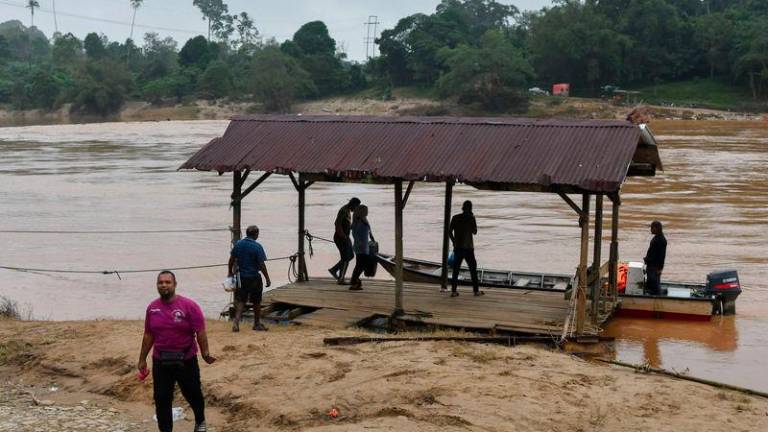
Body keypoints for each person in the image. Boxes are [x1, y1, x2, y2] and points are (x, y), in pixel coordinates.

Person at [137, 271, 216, 432]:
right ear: (157, 285)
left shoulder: (189, 306)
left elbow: (200, 331)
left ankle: (200, 421)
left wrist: (205, 353)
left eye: (167, 282)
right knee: (162, 399)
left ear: (175, 284)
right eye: (161, 282)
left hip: (186, 360)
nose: (164, 285)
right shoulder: (152, 308)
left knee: (193, 394)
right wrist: (142, 359)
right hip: (160, 360)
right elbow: (148, 334)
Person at [228, 225, 272, 332]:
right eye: (258, 233)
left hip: (242, 277)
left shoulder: (238, 244)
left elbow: (231, 260)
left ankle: (236, 322)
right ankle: (256, 324)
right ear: (255, 234)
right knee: (256, 301)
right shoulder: (257, 247)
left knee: (241, 301)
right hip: (254, 278)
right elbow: (261, 265)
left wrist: (230, 272)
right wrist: (267, 278)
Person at [449, 200, 483, 297]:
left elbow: (449, 231)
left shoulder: (455, 217)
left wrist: (454, 241)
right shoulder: (471, 218)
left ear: (463, 207)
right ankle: (476, 291)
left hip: (458, 247)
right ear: (470, 208)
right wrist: (472, 217)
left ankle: (453, 291)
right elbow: (475, 232)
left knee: (456, 270)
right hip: (468, 248)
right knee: (473, 269)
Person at [328, 197, 360, 284]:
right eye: (357, 207)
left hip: (345, 237)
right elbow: (337, 224)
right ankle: (340, 279)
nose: (357, 209)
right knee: (345, 257)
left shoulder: (348, 210)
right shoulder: (343, 210)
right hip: (340, 237)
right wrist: (343, 237)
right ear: (353, 204)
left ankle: (334, 270)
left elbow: (347, 225)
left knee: (350, 256)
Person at [350, 205, 374, 291]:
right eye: (365, 210)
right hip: (360, 246)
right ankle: (353, 282)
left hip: (364, 245)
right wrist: (359, 242)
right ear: (361, 211)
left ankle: (355, 281)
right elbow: (354, 233)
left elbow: (368, 230)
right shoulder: (358, 220)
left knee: (361, 264)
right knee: (360, 265)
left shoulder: (364, 219)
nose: (367, 211)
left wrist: (372, 236)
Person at [644, 220, 667, 296]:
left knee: (655, 285)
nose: (650, 229)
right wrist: (647, 258)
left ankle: (658, 298)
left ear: (656, 228)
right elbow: (652, 252)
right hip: (651, 265)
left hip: (655, 267)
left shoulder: (661, 240)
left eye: (652, 228)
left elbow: (662, 256)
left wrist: (660, 268)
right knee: (651, 283)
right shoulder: (657, 238)